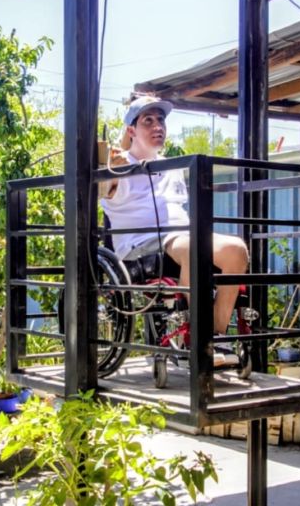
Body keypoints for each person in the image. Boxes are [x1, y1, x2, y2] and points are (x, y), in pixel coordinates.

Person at [101, 95, 249, 366]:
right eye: (148, 121)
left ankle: (215, 335)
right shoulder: (117, 168)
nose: (158, 125)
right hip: (141, 246)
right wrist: (110, 166)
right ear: (131, 131)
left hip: (181, 238)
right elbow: (102, 187)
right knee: (195, 247)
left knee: (236, 250)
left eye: (161, 120)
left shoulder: (173, 168)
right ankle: (198, 338)